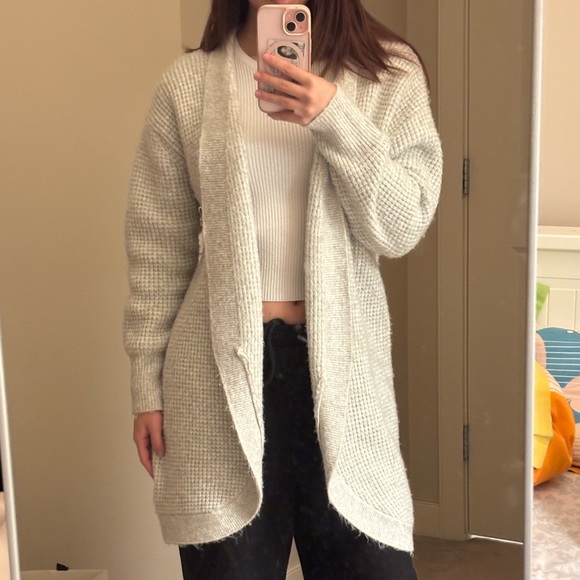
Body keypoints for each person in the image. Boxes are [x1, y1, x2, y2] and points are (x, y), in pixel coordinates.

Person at [124, 0, 442, 578]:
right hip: (216, 382)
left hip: (345, 380)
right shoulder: (189, 84)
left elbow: (401, 226)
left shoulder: (388, 73)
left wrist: (334, 116)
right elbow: (158, 247)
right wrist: (147, 384)